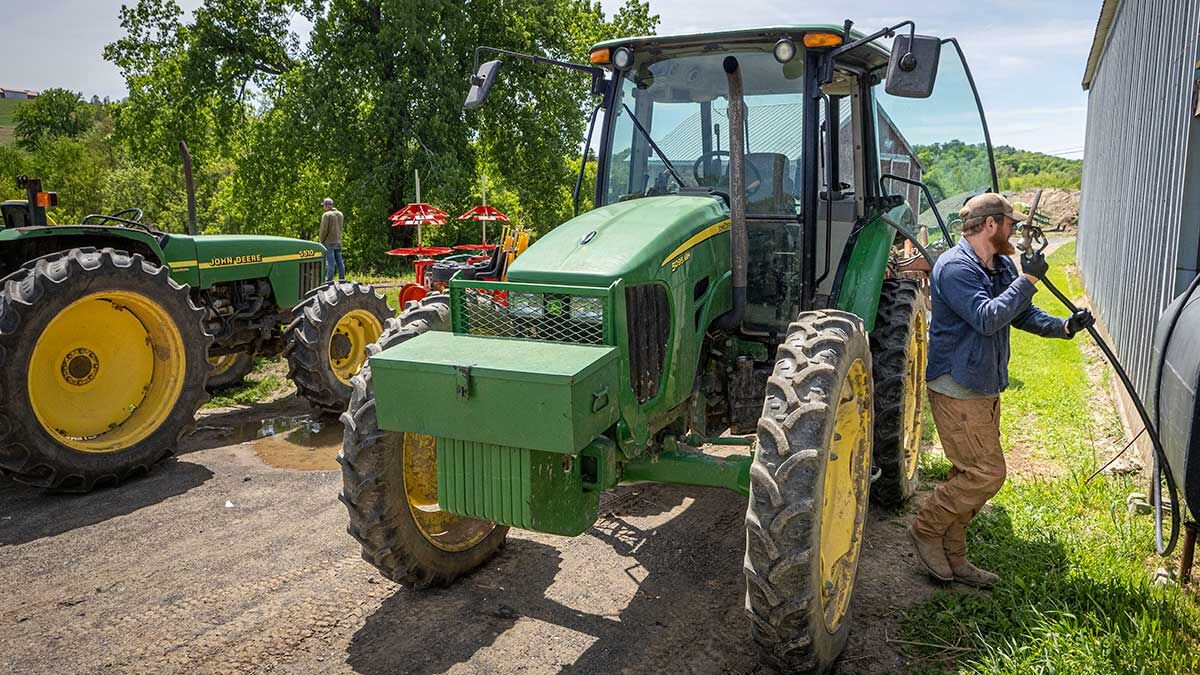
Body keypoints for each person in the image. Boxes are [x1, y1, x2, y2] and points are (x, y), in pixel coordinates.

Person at [908, 193, 1095, 589]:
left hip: (983, 384)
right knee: (987, 474)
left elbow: (1021, 313)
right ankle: (926, 529)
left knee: (969, 473)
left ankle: (956, 558)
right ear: (991, 224)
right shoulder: (955, 268)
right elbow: (988, 318)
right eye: (1010, 223)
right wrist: (1027, 279)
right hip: (957, 387)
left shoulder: (995, 266)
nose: (1014, 231)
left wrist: (1064, 326)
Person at [319, 197, 346, 282]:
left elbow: (324, 230)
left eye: (323, 206)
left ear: (327, 206)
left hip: (329, 242)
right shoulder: (340, 214)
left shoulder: (326, 215)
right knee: (340, 262)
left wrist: (321, 240)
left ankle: (329, 282)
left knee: (330, 263)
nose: (323, 208)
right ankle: (342, 279)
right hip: (338, 241)